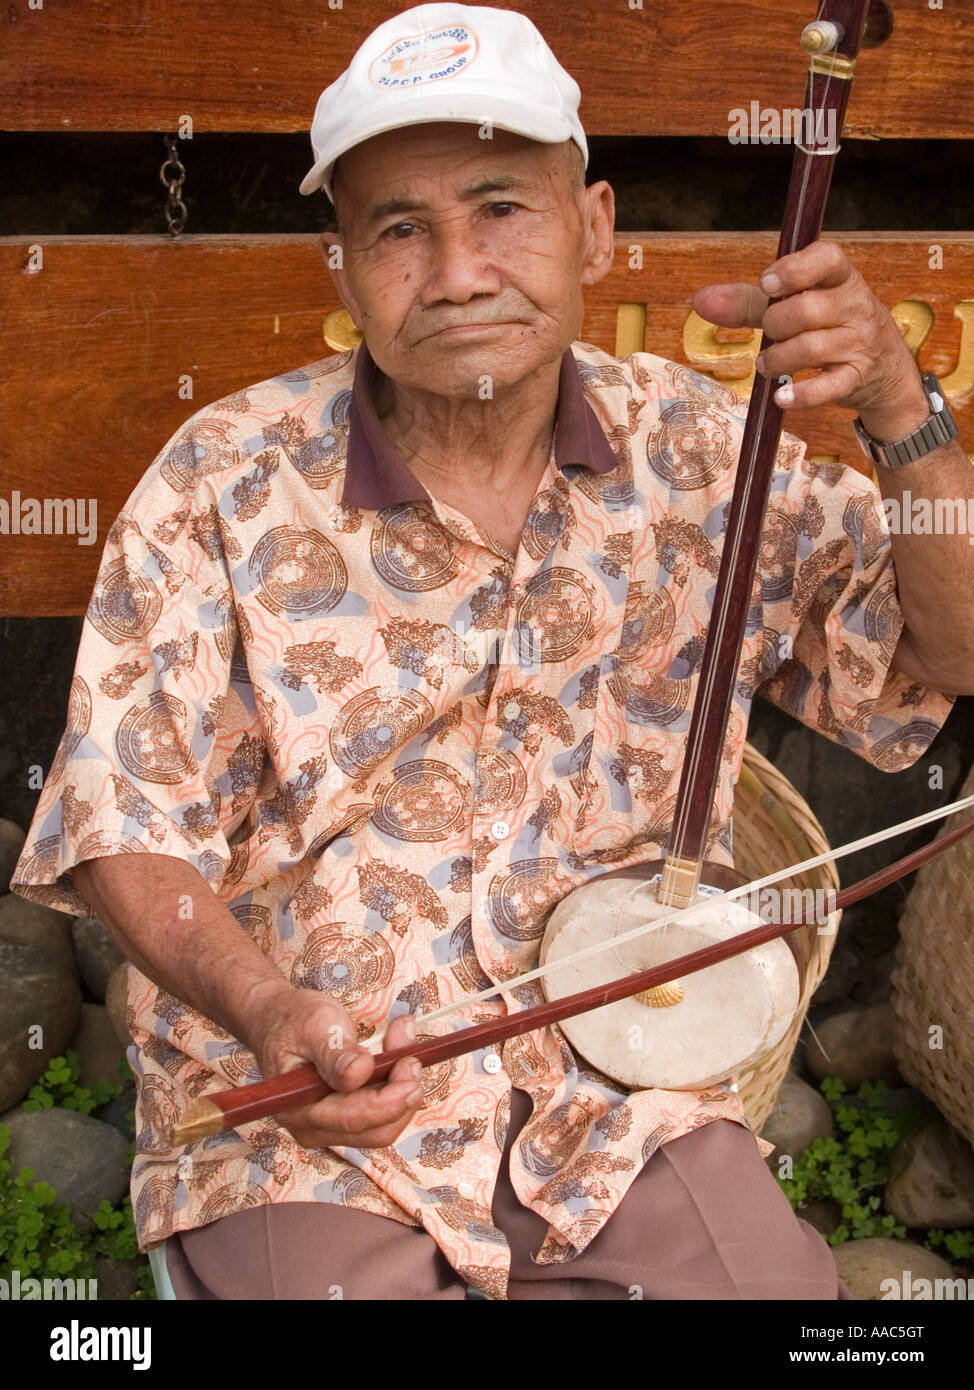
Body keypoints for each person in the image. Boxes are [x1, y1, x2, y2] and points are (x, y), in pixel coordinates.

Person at [11, 3, 973, 1300]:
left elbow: (950, 650)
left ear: (595, 228)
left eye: (501, 208)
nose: (456, 270)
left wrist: (898, 408)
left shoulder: (698, 452)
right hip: (316, 1105)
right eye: (399, 228)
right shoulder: (220, 480)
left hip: (619, 1082)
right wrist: (265, 1009)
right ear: (340, 266)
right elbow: (126, 816)